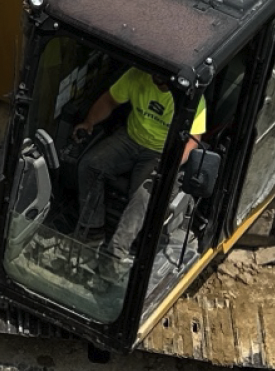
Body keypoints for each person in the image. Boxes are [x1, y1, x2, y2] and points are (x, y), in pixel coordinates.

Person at [76, 65, 204, 259]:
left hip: (160, 151)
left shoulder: (192, 97)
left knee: (144, 194)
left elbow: (194, 137)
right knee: (90, 164)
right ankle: (92, 230)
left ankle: (117, 252)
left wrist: (173, 163)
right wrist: (89, 122)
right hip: (130, 138)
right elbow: (110, 100)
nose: (155, 76)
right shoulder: (138, 75)